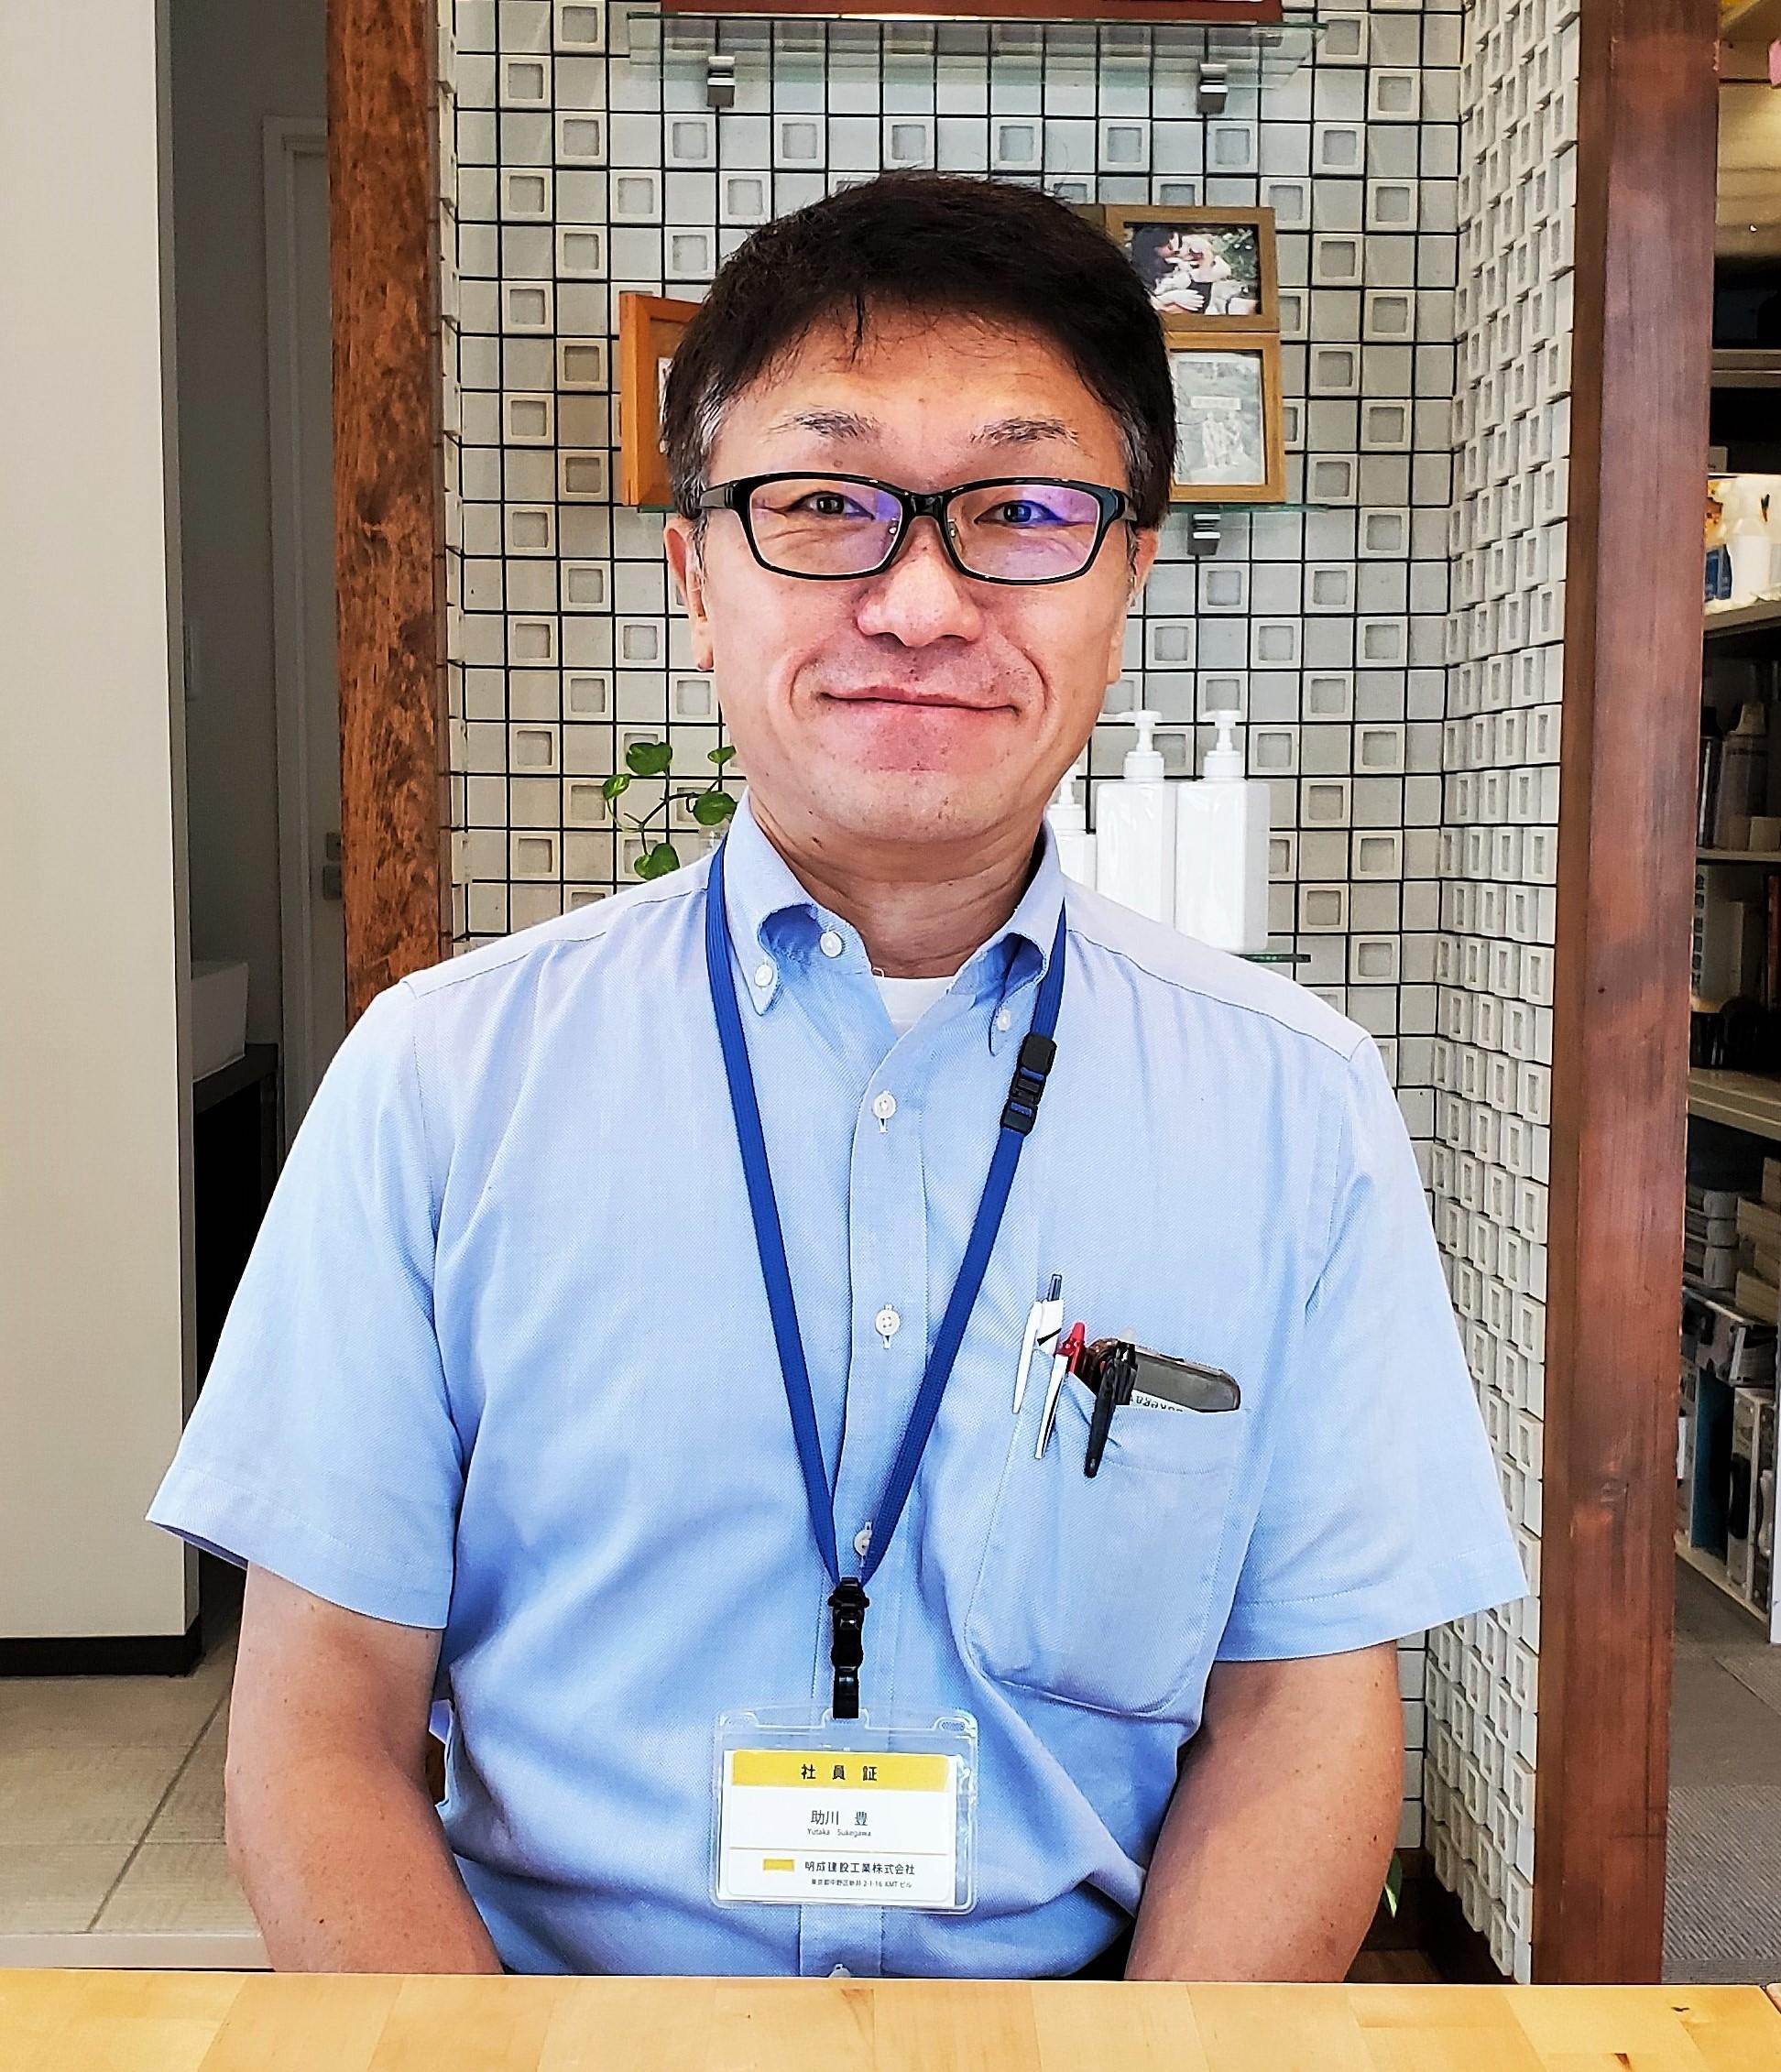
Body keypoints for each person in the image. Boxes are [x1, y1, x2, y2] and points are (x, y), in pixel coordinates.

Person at [148, 171, 1524, 1981]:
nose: (922, 599)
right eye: (824, 505)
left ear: (1129, 576)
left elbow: (1304, 1714)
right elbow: (319, 1728)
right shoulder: (442, 1082)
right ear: (695, 578)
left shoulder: (1296, 1109)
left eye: (1021, 510)